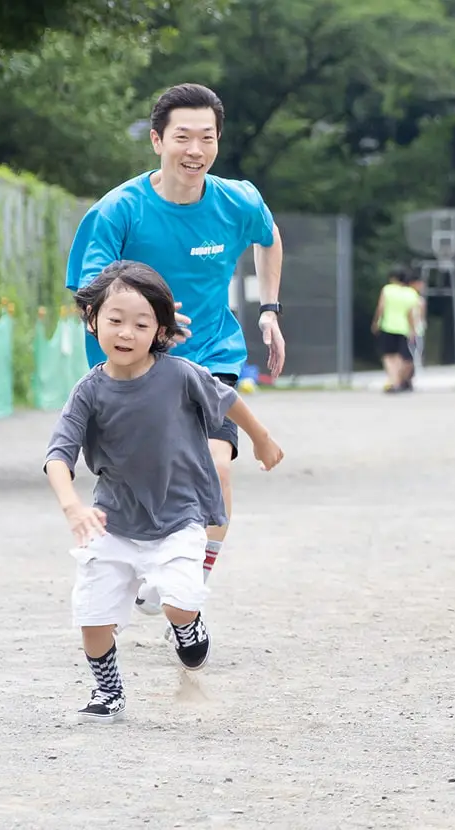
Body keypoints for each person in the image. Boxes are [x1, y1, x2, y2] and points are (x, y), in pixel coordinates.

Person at [65, 82, 286, 614]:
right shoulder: (119, 210)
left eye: (206, 138)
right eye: (182, 137)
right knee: (141, 481)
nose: (195, 150)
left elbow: (269, 235)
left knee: (217, 467)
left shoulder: (238, 200)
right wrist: (145, 321)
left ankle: (189, 585)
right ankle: (136, 571)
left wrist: (270, 310)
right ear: (157, 141)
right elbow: (88, 293)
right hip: (132, 369)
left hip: (210, 354)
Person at [44, 261, 284, 723]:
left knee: (178, 601)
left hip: (179, 518)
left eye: (141, 323)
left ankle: (188, 626)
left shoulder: (180, 374)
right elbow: (59, 453)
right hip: (114, 521)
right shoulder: (88, 391)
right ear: (92, 319)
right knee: (92, 619)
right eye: (115, 320)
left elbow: (227, 400)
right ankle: (108, 691)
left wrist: (262, 437)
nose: (126, 333)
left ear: (160, 330)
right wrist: (72, 505)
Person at [370, 266, 420, 393]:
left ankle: (393, 381)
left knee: (388, 356)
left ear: (393, 278)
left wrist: (376, 322)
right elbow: (410, 314)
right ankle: (398, 381)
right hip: (403, 328)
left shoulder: (387, 290)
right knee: (400, 357)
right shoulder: (411, 293)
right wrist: (413, 330)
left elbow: (381, 307)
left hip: (388, 326)